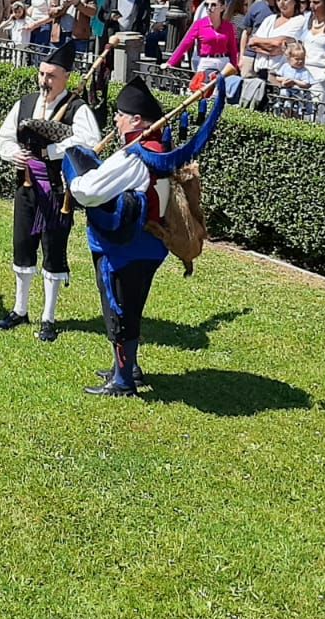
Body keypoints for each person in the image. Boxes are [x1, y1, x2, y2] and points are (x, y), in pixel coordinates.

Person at [64, 77, 219, 397]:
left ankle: (123, 381)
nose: (116, 120)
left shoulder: (134, 155)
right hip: (150, 244)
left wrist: (73, 177)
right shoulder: (157, 148)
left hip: (125, 247)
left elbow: (90, 192)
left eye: (121, 115)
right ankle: (126, 367)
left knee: (120, 309)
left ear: (136, 120)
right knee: (129, 306)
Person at [0, 41, 100, 340]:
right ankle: (20, 309)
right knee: (23, 245)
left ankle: (48, 318)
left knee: (53, 250)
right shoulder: (25, 103)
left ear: (65, 77)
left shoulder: (77, 109)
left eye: (51, 75)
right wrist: (12, 153)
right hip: (25, 187)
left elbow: (89, 141)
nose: (44, 81)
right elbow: (4, 136)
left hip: (56, 192)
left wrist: (53, 150)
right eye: (42, 74)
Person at [167, 0, 240, 77]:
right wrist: (171, 62)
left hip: (224, 62)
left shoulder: (228, 26)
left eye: (213, 5)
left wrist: (233, 66)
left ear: (222, 8)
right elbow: (185, 43)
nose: (209, 8)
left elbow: (232, 49)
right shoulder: (199, 24)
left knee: (223, 89)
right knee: (201, 87)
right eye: (206, 4)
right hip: (206, 61)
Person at [246, 0, 306, 78]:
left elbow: (278, 43)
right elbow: (251, 43)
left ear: (295, 0)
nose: (281, 3)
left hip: (280, 74)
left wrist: (260, 43)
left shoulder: (300, 20)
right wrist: (271, 48)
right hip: (260, 72)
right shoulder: (269, 19)